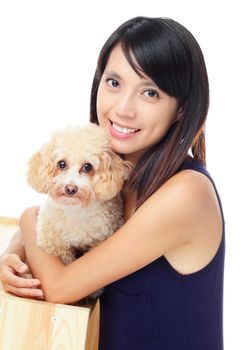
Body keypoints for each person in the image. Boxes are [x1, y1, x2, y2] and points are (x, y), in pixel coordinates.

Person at [0, 16, 225, 349]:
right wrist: (13, 255)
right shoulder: (110, 181)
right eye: (114, 83)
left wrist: (29, 218)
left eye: (150, 92)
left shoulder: (186, 193)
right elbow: (65, 236)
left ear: (181, 109)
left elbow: (61, 286)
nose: (123, 108)